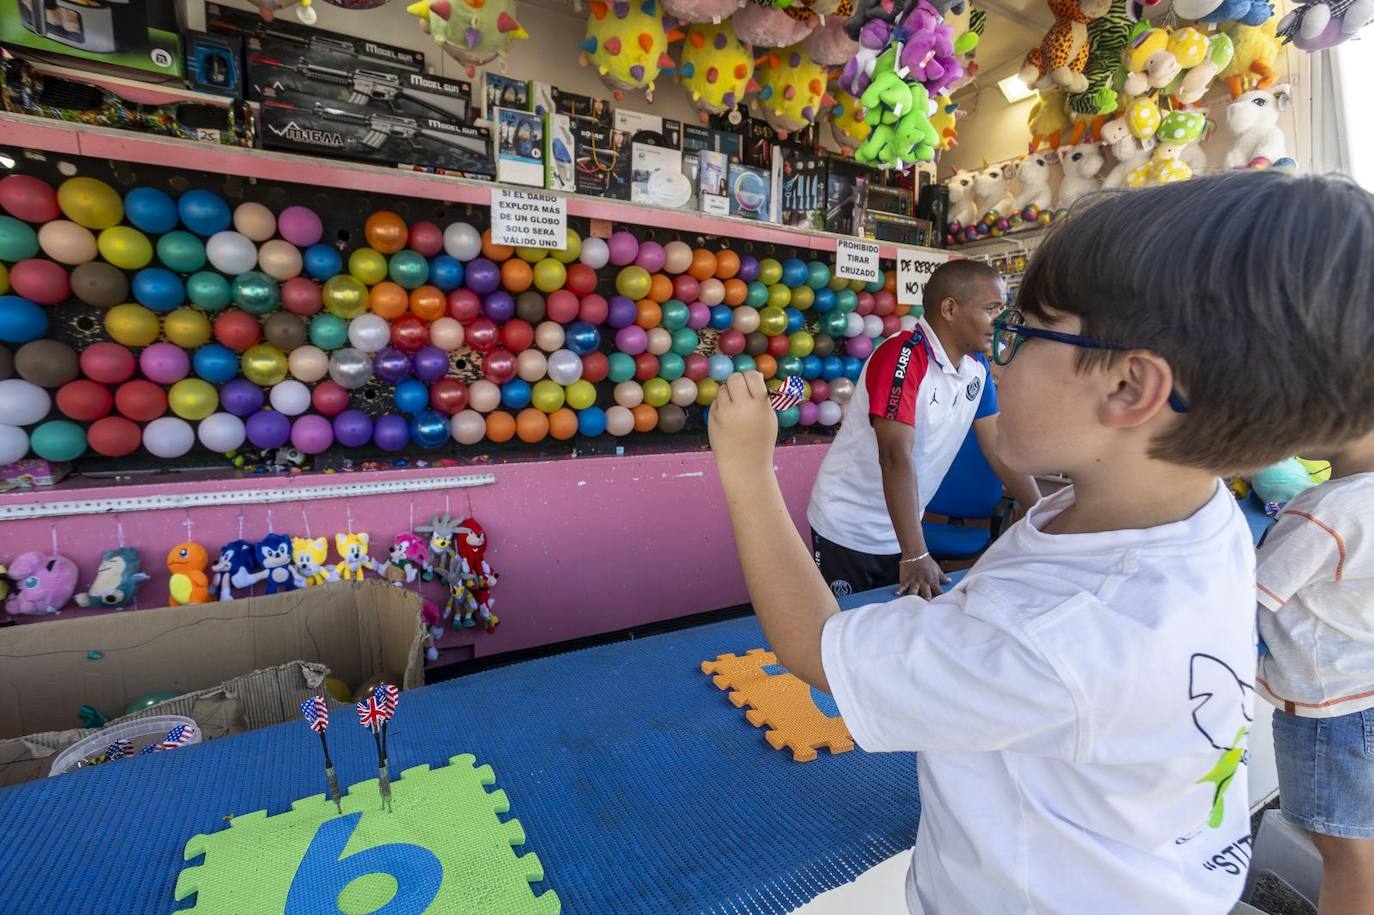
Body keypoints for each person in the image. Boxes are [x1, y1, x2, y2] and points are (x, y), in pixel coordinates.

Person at [707, 172, 1374, 914]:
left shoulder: (1052, 636)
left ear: (1129, 387)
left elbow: (813, 643)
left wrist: (745, 466)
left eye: (1021, 334)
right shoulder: (1204, 517)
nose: (1000, 359)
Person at [807, 259, 1040, 599]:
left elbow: (998, 446)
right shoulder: (902, 356)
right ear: (949, 308)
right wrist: (916, 553)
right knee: (840, 627)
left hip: (900, 529)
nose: (999, 321)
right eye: (991, 309)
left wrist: (1041, 512)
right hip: (847, 527)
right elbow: (894, 454)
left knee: (890, 630)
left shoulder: (976, 368)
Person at [1255, 429, 1374, 915]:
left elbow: (1245, 593)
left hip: (1328, 709)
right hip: (1360, 691)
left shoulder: (1324, 511)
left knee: (1346, 852)